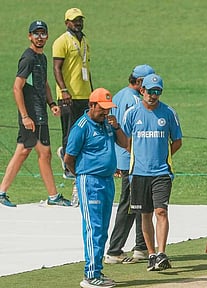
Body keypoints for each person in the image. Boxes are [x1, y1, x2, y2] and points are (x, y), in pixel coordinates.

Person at [0, 20, 71, 208]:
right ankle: (4, 192)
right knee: (32, 151)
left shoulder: (42, 57)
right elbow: (17, 88)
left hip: (40, 113)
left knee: (33, 152)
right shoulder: (28, 58)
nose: (40, 37)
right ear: (29, 36)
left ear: (47, 36)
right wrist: (25, 116)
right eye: (36, 34)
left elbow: (43, 82)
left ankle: (51, 196)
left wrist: (52, 104)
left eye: (43, 33)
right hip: (31, 116)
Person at [64, 88, 128, 288]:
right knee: (94, 228)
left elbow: (126, 143)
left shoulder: (108, 124)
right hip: (89, 181)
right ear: (92, 105)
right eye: (103, 109)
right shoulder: (81, 127)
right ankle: (90, 275)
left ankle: (97, 271)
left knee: (102, 229)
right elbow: (69, 159)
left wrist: (117, 127)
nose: (106, 113)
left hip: (106, 181)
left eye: (108, 109)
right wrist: (82, 176)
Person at [122, 73, 183, 272]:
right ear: (142, 91)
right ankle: (151, 254)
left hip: (162, 173)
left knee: (161, 211)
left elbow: (177, 141)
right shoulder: (132, 113)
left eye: (157, 92)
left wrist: (164, 156)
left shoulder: (168, 113)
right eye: (150, 91)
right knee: (145, 214)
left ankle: (162, 253)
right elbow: (125, 140)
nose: (153, 95)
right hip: (138, 173)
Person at [104, 64, 155, 264]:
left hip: (125, 157)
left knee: (142, 203)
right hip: (132, 160)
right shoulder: (136, 101)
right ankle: (115, 250)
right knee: (129, 205)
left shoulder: (120, 94)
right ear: (140, 82)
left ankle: (141, 247)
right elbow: (130, 133)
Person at [52, 7, 92, 183]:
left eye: (80, 20)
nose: (78, 23)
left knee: (82, 129)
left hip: (84, 93)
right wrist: (64, 90)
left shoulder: (85, 40)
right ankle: (68, 165)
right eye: (74, 20)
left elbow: (86, 69)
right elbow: (56, 68)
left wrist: (92, 92)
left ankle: (71, 156)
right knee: (69, 130)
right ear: (66, 22)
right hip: (68, 95)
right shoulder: (61, 41)